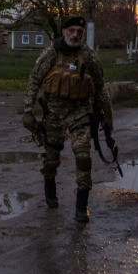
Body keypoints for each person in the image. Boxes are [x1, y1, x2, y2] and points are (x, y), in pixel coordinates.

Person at [21, 16, 113, 222]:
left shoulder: (88, 56)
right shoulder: (51, 53)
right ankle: (49, 187)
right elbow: (34, 80)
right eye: (71, 31)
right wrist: (27, 111)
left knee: (83, 155)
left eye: (79, 32)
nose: (75, 35)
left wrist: (108, 117)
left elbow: (100, 88)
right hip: (54, 112)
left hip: (80, 112)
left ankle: (82, 206)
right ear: (64, 31)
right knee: (52, 157)